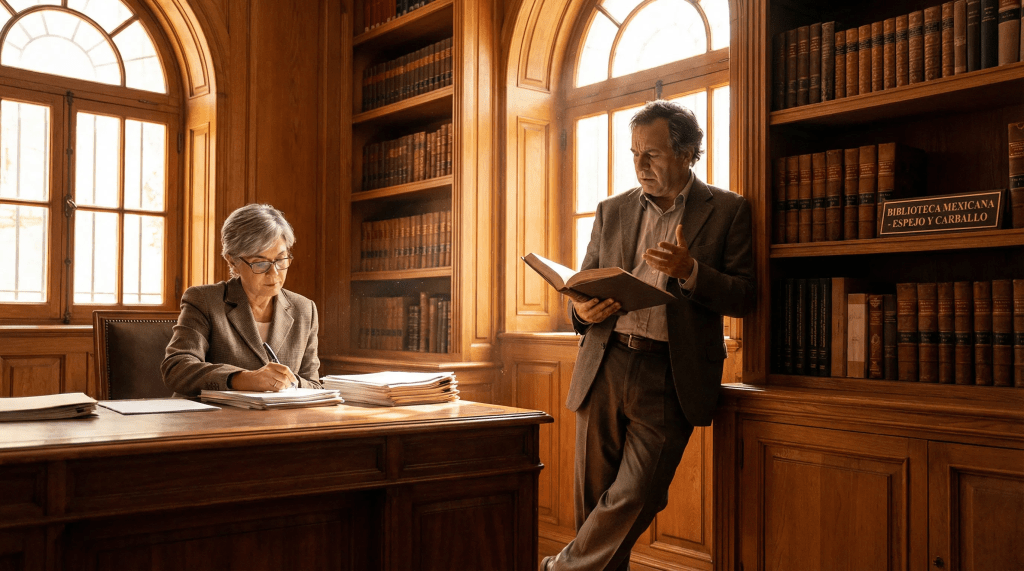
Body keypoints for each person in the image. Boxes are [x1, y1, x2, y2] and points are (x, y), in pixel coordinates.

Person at [542, 100, 755, 571]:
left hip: (671, 373)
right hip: (604, 362)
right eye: (634, 153)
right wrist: (582, 308)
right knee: (594, 504)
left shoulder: (728, 210)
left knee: (638, 493)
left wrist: (692, 271)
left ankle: (559, 569)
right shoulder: (611, 210)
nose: (639, 165)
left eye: (651, 154)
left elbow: (743, 296)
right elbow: (584, 285)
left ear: (685, 154)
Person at [162, 203, 322, 396]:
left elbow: (314, 385)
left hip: (278, 422)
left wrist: (290, 381)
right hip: (215, 420)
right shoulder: (204, 300)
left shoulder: (304, 309)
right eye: (260, 263)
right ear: (233, 262)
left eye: (281, 259)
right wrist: (243, 379)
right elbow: (177, 369)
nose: (274, 272)